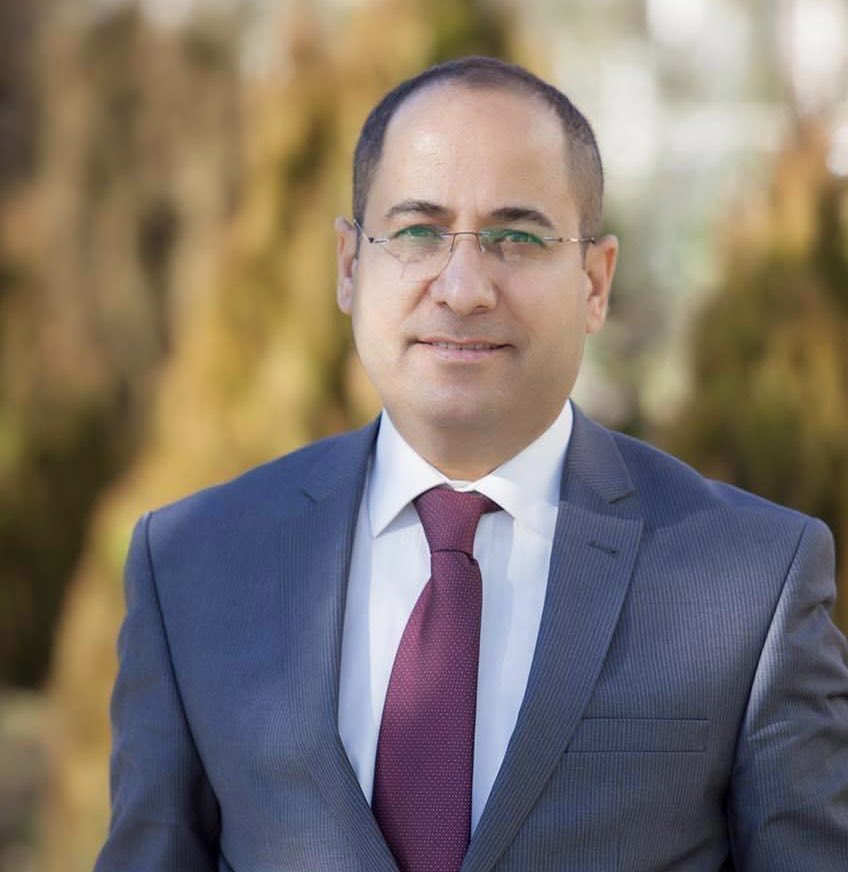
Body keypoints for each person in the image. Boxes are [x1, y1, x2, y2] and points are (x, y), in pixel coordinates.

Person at [93, 57, 848, 872]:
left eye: (515, 238)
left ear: (595, 283)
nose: (462, 288)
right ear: (349, 266)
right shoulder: (193, 566)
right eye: (418, 232)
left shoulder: (752, 583)